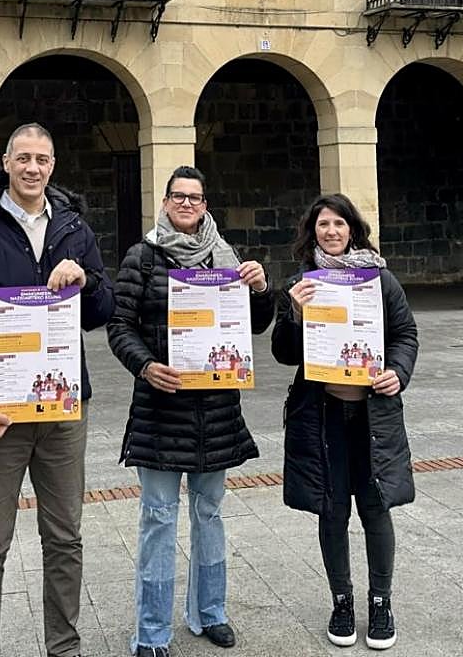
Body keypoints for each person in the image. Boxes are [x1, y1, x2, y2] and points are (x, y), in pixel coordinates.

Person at [0, 123, 114, 657]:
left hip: (61, 411)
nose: (33, 168)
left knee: (65, 539)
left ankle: (65, 647)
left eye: (44, 159)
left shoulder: (75, 229)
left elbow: (102, 312)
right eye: (24, 158)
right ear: (5, 162)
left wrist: (88, 282)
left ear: (54, 165)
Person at [107, 166, 273, 657]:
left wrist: (260, 289)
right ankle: (152, 632)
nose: (186, 204)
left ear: (205, 205)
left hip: (216, 410)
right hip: (161, 408)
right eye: (178, 196)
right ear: (164, 202)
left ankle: (210, 613)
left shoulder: (226, 258)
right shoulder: (142, 256)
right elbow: (120, 325)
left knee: (211, 513)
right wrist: (145, 366)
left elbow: (254, 326)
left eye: (195, 197)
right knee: (158, 517)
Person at [271, 193, 418, 651]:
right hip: (324, 415)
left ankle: (380, 602)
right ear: (311, 232)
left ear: (352, 229)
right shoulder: (302, 283)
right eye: (322, 225)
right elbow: (283, 353)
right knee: (332, 510)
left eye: (338, 224)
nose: (330, 232)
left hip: (373, 415)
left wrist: (398, 371)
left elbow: (405, 334)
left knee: (375, 507)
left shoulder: (380, 279)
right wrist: (294, 313)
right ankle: (341, 600)